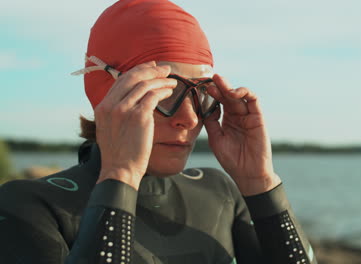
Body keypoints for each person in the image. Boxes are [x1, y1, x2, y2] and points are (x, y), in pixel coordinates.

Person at [0, 0, 317, 263]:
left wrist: (260, 183)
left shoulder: (221, 193)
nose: (190, 119)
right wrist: (121, 175)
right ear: (106, 95)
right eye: (165, 92)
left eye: (202, 93)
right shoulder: (26, 207)